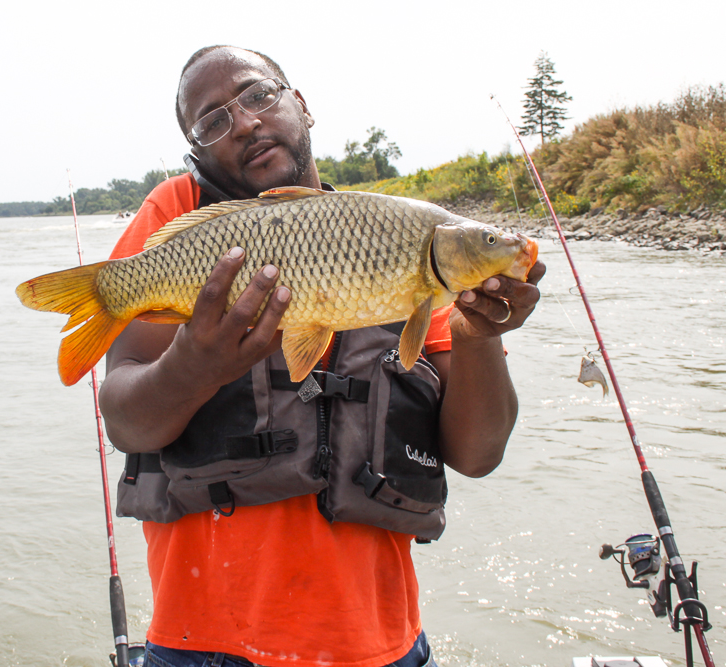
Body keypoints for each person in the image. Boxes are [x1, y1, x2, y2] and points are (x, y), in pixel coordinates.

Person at [98, 45, 545, 667]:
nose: (247, 123)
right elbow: (125, 422)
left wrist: (479, 335)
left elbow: (478, 454)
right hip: (205, 643)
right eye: (212, 121)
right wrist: (193, 366)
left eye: (258, 96)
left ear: (300, 104)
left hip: (382, 645)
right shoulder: (182, 217)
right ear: (197, 154)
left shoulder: (396, 236)